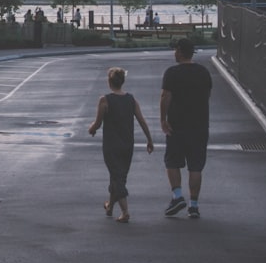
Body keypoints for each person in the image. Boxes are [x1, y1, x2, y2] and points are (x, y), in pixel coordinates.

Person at [89, 67, 154, 223]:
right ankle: (110, 206)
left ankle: (125, 212)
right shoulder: (131, 99)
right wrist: (149, 139)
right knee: (118, 175)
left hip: (111, 146)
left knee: (117, 177)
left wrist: (91, 129)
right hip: (127, 145)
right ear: (122, 82)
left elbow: (98, 123)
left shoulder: (105, 100)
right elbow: (142, 120)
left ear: (109, 82)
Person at [161, 38, 213, 219]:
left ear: (181, 52)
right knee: (196, 166)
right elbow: (207, 95)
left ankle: (177, 196)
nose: (174, 53)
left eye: (176, 50)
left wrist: (163, 120)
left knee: (172, 162)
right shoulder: (203, 72)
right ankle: (194, 205)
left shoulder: (172, 73)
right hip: (199, 126)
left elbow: (166, 97)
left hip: (177, 125)